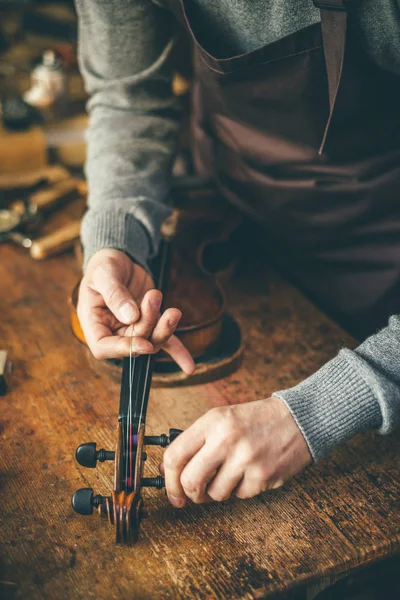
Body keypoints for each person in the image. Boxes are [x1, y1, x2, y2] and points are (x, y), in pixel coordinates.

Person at [74, 0, 400, 508]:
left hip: (381, 242)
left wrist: (318, 409)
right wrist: (117, 234)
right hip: (233, 220)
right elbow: (127, 97)